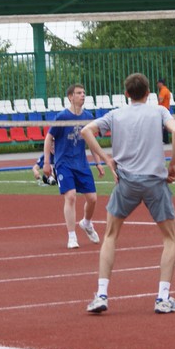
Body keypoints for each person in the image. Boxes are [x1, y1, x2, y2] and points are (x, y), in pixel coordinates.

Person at [80, 72, 175, 315]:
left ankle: (102, 294)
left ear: (126, 94)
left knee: (110, 235)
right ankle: (162, 297)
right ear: (148, 93)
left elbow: (86, 131)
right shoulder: (158, 110)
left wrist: (106, 157)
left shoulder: (116, 114)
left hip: (126, 181)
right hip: (155, 182)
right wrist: (174, 164)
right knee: (170, 238)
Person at [43, 83, 104, 250]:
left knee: (92, 199)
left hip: (82, 164)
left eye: (84, 92)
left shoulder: (87, 116)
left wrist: (98, 162)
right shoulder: (62, 117)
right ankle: (72, 236)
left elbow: (92, 141)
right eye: (79, 93)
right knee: (70, 197)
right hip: (64, 163)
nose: (82, 95)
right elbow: (49, 138)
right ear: (70, 97)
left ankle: (86, 223)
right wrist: (47, 162)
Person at [156, 78, 172, 144]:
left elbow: (161, 100)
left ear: (160, 83)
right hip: (166, 108)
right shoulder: (166, 90)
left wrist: (158, 98)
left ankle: (165, 140)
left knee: (162, 125)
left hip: (163, 109)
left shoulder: (163, 90)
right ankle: (166, 140)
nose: (157, 85)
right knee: (164, 124)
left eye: (158, 83)